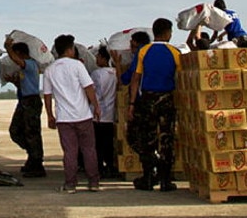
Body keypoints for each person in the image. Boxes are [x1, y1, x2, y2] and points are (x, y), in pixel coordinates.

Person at [43, 35, 101, 193]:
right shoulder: (77, 66)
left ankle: (70, 184)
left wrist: (49, 115)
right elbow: (89, 87)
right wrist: (96, 106)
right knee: (89, 149)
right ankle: (93, 182)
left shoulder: (49, 70)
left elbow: (47, 96)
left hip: (64, 118)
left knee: (70, 152)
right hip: (83, 115)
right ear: (70, 49)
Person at [127, 18, 179, 192]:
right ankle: (165, 180)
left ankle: (148, 177)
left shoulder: (143, 51)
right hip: (167, 98)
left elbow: (135, 79)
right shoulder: (174, 52)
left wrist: (132, 104)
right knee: (166, 139)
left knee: (147, 139)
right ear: (167, 33)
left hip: (147, 99)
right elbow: (180, 78)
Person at [4, 39, 45, 177]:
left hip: (31, 101)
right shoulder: (24, 68)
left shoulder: (30, 65)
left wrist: (8, 48)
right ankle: (33, 155)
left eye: (16, 54)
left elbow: (16, 60)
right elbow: (24, 85)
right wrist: (13, 81)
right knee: (15, 131)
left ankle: (36, 163)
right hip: (24, 101)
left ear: (21, 53)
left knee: (32, 133)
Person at [90, 46, 120, 180]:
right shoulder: (115, 72)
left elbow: (91, 92)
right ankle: (110, 166)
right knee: (108, 143)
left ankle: (99, 168)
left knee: (97, 144)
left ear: (103, 58)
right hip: (110, 114)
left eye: (97, 57)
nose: (96, 59)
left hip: (97, 114)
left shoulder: (96, 74)